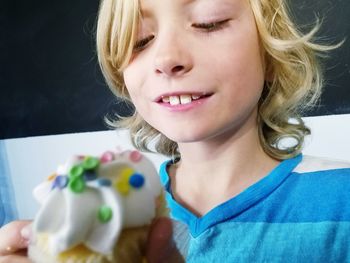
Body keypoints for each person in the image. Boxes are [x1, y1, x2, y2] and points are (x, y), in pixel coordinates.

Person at [1, 0, 349, 262]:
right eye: (140, 40)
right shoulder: (119, 221)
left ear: (271, 53)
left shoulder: (341, 200)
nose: (166, 57)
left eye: (209, 23)